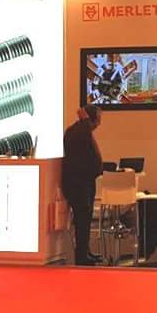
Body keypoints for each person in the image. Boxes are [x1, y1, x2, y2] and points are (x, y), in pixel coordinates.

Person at [62, 106, 104, 265]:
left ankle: (85, 251)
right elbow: (84, 130)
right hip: (78, 184)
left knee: (85, 220)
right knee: (82, 220)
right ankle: (81, 256)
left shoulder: (79, 131)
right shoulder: (79, 132)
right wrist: (85, 119)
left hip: (85, 182)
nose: (99, 123)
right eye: (98, 119)